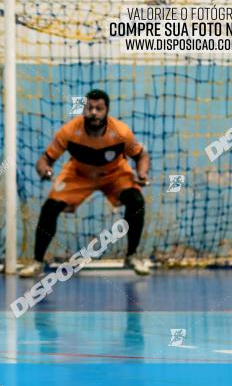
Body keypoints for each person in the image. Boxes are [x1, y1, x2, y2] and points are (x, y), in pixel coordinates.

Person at [19, 89, 151, 277]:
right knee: (49, 208)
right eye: (90, 108)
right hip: (78, 174)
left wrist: (142, 173)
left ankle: (132, 256)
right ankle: (37, 262)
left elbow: (141, 156)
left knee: (136, 201)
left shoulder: (121, 133)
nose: (94, 113)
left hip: (114, 174)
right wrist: (45, 170)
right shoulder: (69, 132)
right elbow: (44, 159)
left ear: (107, 111)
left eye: (99, 109)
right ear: (84, 110)